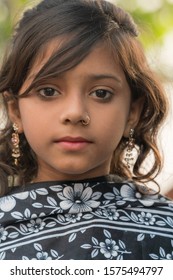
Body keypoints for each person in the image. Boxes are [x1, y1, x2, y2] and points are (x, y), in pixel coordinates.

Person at [0, 0, 172, 260]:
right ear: (15, 110)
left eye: (101, 93)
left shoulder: (165, 231)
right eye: (48, 91)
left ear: (132, 113)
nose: (75, 113)